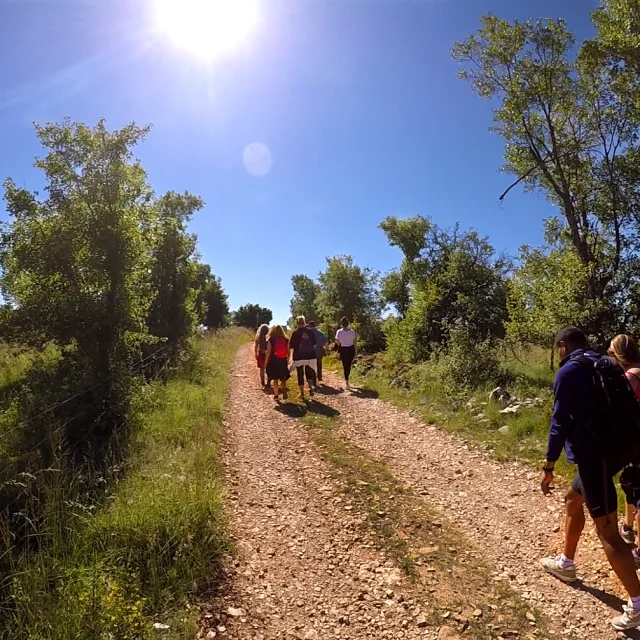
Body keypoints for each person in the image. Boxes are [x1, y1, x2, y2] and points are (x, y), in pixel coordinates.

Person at [539, 327, 640, 631]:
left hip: (596, 458)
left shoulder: (569, 371)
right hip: (618, 451)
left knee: (607, 533)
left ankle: (637, 604)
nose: (558, 353)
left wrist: (548, 466)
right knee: (573, 499)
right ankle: (566, 564)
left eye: (557, 348)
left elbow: (559, 422)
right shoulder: (606, 363)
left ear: (563, 345)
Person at [608, 334, 640, 546]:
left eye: (612, 352)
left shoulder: (631, 377)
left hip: (636, 440)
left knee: (637, 490)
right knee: (632, 484)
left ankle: (637, 548)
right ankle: (628, 527)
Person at [289, 316, 317, 399]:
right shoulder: (310, 332)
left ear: (297, 323)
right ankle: (311, 388)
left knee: (300, 374)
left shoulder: (295, 333)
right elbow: (314, 344)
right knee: (309, 373)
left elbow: (291, 346)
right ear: (305, 322)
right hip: (310, 356)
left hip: (299, 357)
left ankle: (302, 393)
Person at [264, 325, 290, 402]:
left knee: (275, 379)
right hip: (283, 360)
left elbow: (268, 352)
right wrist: (288, 360)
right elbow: (288, 351)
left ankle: (276, 395)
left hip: (274, 360)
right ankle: (284, 392)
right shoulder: (286, 339)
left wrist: (266, 362)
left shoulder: (271, 339)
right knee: (283, 379)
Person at [335, 317, 356, 390]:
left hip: (343, 349)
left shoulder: (339, 332)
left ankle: (346, 381)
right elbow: (354, 341)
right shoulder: (352, 331)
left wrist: (340, 345)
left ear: (341, 324)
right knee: (349, 364)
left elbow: (337, 342)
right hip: (351, 348)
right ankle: (347, 379)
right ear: (348, 323)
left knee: (345, 365)